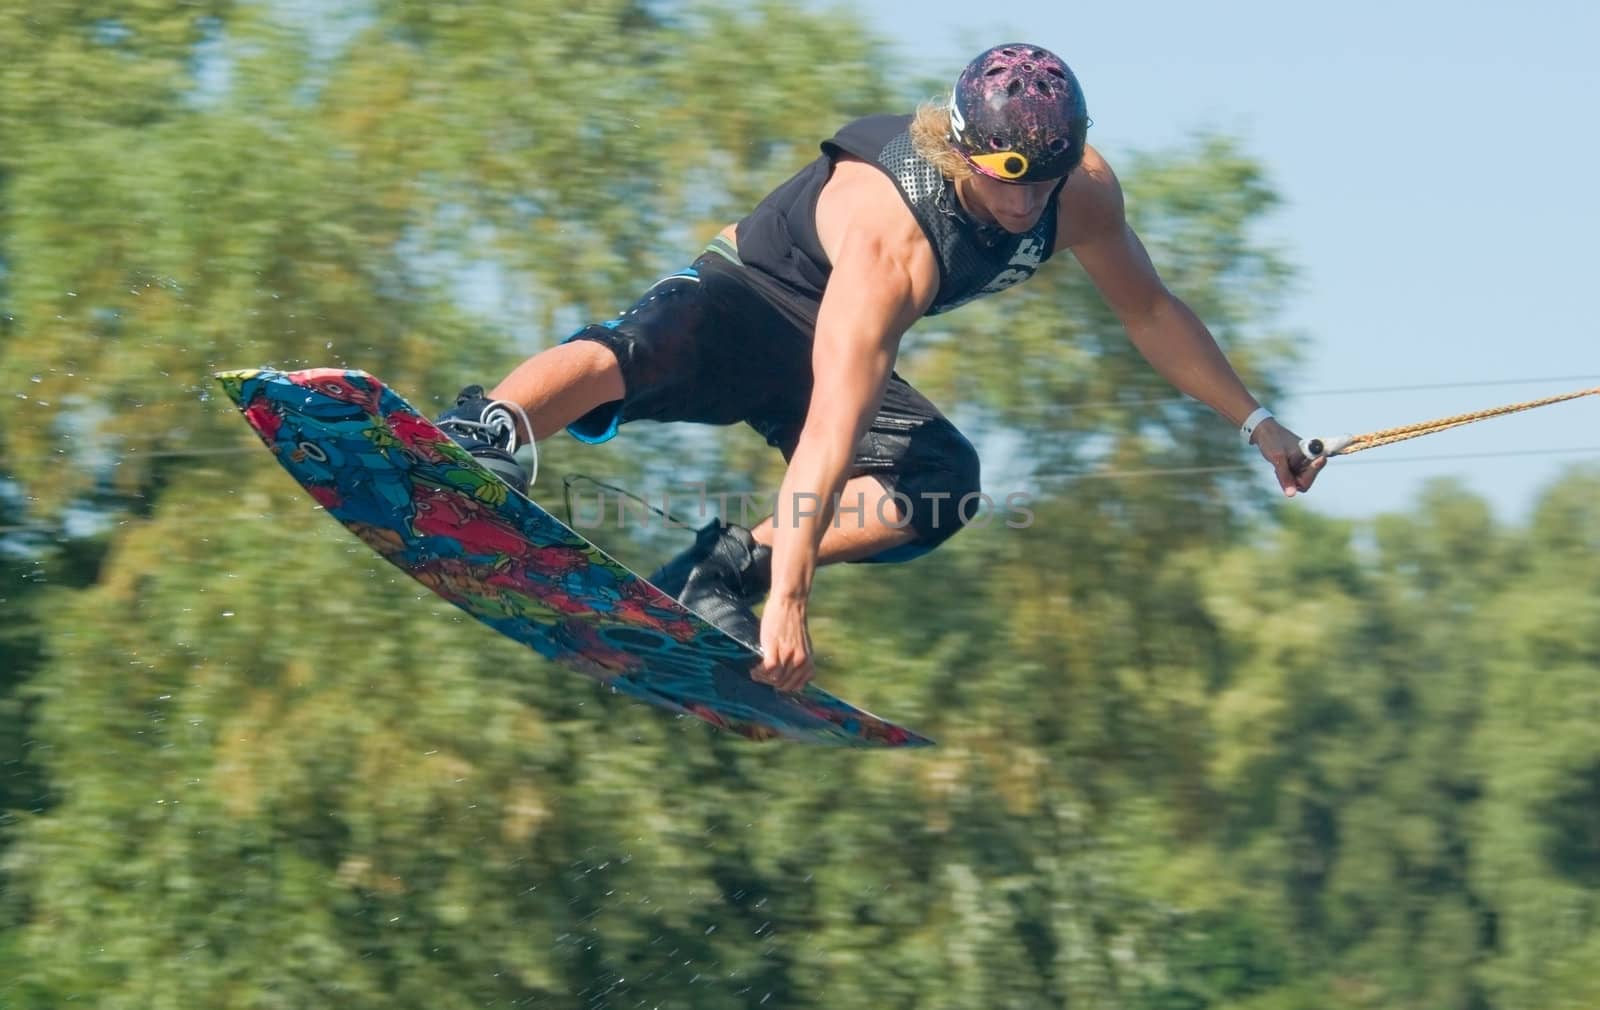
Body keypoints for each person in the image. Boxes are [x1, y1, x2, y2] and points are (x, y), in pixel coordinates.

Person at [436, 43, 1325, 693]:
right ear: (962, 148)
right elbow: (831, 424)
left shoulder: (1078, 191)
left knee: (943, 482)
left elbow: (1151, 310)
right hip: (749, 302)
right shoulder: (896, 234)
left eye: (1042, 181)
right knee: (638, 352)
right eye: (1004, 178)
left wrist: (1259, 425)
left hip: (831, 353)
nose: (1024, 204)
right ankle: (488, 437)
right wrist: (792, 604)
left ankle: (725, 570)